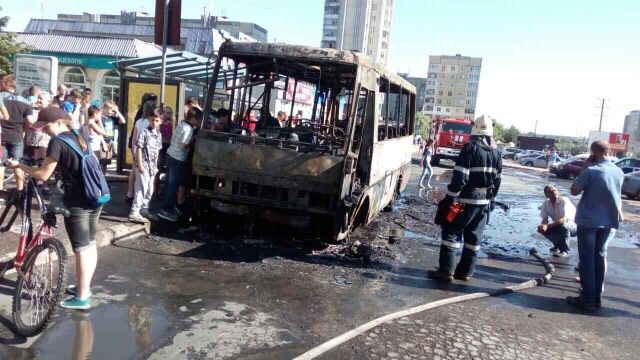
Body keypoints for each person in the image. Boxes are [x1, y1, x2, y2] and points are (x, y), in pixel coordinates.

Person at [7, 106, 105, 310]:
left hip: (78, 201)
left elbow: (43, 175)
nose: (43, 130)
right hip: (95, 196)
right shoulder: (78, 135)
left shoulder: (57, 142)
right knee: (90, 244)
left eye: (46, 126)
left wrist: (19, 166)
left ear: (60, 122)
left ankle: (82, 297)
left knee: (81, 248)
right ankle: (83, 287)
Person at [428, 115, 502, 282]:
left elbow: (460, 178)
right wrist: (492, 201)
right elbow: (497, 181)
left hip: (465, 200)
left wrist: (450, 198)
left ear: (474, 131)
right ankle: (465, 272)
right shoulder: (497, 153)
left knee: (451, 232)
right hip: (483, 202)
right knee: (473, 238)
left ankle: (446, 271)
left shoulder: (470, 148)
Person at [567, 140, 624, 310]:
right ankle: (596, 297)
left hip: (589, 221)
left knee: (587, 259)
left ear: (594, 153)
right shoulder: (618, 171)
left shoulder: (592, 171)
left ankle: (587, 298)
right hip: (608, 222)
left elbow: (574, 190)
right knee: (599, 257)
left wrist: (584, 169)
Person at [158, 108, 201, 221]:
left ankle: (167, 207)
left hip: (171, 155)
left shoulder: (181, 124)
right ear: (193, 119)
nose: (199, 122)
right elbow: (183, 145)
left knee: (169, 183)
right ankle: (166, 210)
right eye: (199, 119)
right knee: (173, 184)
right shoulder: (189, 129)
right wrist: (193, 141)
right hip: (178, 158)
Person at [0, 75, 35, 191]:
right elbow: (30, 121)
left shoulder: (0, 97)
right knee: (18, 164)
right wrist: (24, 130)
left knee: (0, 165)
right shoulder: (25, 101)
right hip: (17, 135)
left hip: (1, 136)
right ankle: (20, 191)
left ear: (4, 85)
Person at [129, 110, 162, 223]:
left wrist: (156, 165)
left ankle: (144, 208)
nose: (154, 122)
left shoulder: (158, 134)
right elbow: (139, 148)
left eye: (156, 120)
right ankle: (134, 211)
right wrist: (140, 164)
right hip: (143, 164)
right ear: (149, 120)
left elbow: (157, 151)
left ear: (160, 121)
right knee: (141, 188)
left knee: (150, 188)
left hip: (152, 166)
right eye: (152, 120)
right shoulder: (144, 132)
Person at [126, 98, 158, 202]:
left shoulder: (139, 121)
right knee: (142, 177)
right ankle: (139, 197)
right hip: (145, 153)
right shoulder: (151, 124)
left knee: (133, 173)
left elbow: (134, 138)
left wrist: (133, 151)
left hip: (136, 150)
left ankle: (130, 193)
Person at [538, 184, 577, 258]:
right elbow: (544, 219)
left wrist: (547, 226)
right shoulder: (546, 203)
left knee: (564, 226)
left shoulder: (564, 201)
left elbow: (564, 220)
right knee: (541, 228)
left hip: (575, 227)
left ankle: (564, 251)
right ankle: (558, 245)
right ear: (547, 195)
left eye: (555, 190)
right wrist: (543, 226)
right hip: (559, 225)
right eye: (550, 191)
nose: (554, 192)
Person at [25, 92, 53, 162]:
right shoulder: (31, 110)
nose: (38, 100)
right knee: (30, 164)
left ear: (48, 102)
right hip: (30, 142)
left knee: (39, 164)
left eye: (41, 99)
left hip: (43, 143)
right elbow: (27, 124)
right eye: (38, 98)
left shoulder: (50, 112)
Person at [100, 100, 126, 173]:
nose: (112, 112)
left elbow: (123, 121)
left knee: (106, 162)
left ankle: (104, 178)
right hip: (103, 142)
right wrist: (103, 143)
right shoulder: (100, 118)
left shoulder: (111, 118)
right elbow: (100, 133)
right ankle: (101, 179)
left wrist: (117, 111)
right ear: (106, 108)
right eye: (111, 110)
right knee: (102, 162)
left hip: (110, 142)